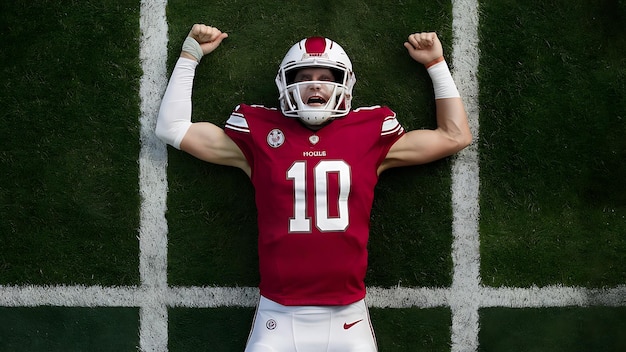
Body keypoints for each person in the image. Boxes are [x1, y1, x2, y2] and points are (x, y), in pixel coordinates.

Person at [156, 24, 471, 352]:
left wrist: (436, 64)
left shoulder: (370, 132)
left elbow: (455, 136)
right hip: (277, 313)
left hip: (347, 315)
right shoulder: (259, 132)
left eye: (326, 77)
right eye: (303, 76)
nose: (314, 85)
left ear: (344, 84)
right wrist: (190, 54)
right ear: (286, 83)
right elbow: (172, 127)